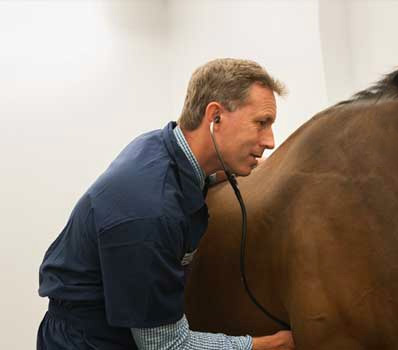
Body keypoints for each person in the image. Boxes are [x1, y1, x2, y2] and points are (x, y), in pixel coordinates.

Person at [37, 58, 295, 350]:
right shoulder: (150, 212)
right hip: (88, 341)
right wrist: (260, 347)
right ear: (215, 117)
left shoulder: (160, 147)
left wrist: (215, 175)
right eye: (261, 123)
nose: (270, 141)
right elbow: (166, 345)